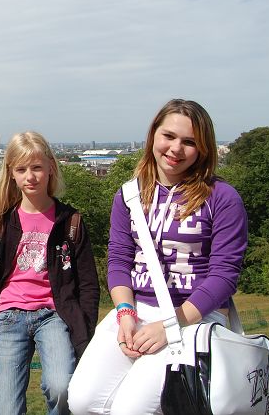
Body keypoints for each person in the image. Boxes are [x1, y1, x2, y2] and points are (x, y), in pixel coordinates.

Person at [68, 99, 248, 414]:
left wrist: (170, 325)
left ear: (203, 149)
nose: (176, 148)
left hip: (193, 317)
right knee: (82, 401)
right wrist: (124, 312)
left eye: (189, 142)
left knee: (130, 409)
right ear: (153, 135)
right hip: (136, 311)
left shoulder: (222, 198)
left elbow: (224, 275)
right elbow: (119, 260)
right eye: (169, 136)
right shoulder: (129, 195)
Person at [0, 132, 99, 415]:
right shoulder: (3, 222)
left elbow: (89, 284)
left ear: (51, 167)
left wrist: (85, 332)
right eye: (21, 169)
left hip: (53, 315)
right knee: (6, 408)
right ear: (11, 174)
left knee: (61, 387)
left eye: (37, 167)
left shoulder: (70, 221)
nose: (30, 176)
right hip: (10, 315)